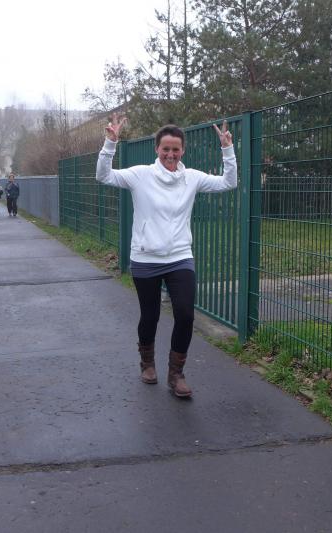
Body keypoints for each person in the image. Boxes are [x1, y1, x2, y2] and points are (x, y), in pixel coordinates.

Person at [96, 113, 237, 398]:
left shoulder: (192, 178)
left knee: (185, 315)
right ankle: (147, 363)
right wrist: (110, 144)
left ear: (182, 150)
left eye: (175, 149)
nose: (170, 154)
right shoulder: (140, 175)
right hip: (146, 258)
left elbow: (228, 182)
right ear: (157, 149)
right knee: (150, 316)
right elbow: (104, 176)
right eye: (165, 149)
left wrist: (228, 149)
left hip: (180, 257)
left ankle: (176, 374)